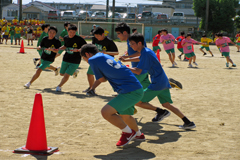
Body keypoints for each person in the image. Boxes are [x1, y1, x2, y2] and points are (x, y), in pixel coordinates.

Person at [80, 44, 145, 147]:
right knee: (125, 116)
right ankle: (138, 134)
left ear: (87, 54)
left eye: (84, 59)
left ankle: (128, 133)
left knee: (106, 112)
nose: (87, 61)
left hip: (130, 91)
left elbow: (102, 80)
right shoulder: (106, 55)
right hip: (135, 88)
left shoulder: (92, 59)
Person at [128, 33, 196, 129]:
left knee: (137, 101)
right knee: (166, 104)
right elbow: (140, 58)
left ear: (139, 43)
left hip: (157, 83)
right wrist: (127, 59)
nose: (130, 46)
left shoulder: (145, 53)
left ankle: (160, 111)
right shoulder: (147, 51)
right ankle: (188, 122)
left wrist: (124, 68)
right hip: (163, 80)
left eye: (132, 44)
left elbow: (138, 71)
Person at [115, 22, 182, 90]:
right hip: (140, 69)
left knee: (129, 88)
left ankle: (166, 83)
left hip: (140, 69)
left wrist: (127, 57)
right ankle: (168, 83)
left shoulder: (136, 39)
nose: (117, 36)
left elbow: (142, 53)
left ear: (125, 32)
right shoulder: (130, 40)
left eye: (118, 33)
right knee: (146, 89)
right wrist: (127, 56)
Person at [83, 27, 119, 95]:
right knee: (89, 74)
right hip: (96, 60)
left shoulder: (109, 41)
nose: (97, 38)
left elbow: (116, 53)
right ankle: (91, 88)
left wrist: (106, 52)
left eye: (98, 36)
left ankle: (92, 89)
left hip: (105, 61)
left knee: (104, 77)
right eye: (95, 36)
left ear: (103, 34)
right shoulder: (94, 39)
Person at [56, 24, 87, 92]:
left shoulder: (79, 39)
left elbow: (86, 47)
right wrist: (59, 48)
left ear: (76, 32)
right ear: (67, 31)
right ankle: (74, 72)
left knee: (66, 75)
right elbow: (65, 46)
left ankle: (59, 86)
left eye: (74, 32)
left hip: (75, 60)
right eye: (70, 32)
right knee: (62, 74)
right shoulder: (66, 38)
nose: (72, 34)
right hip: (66, 58)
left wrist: (79, 49)